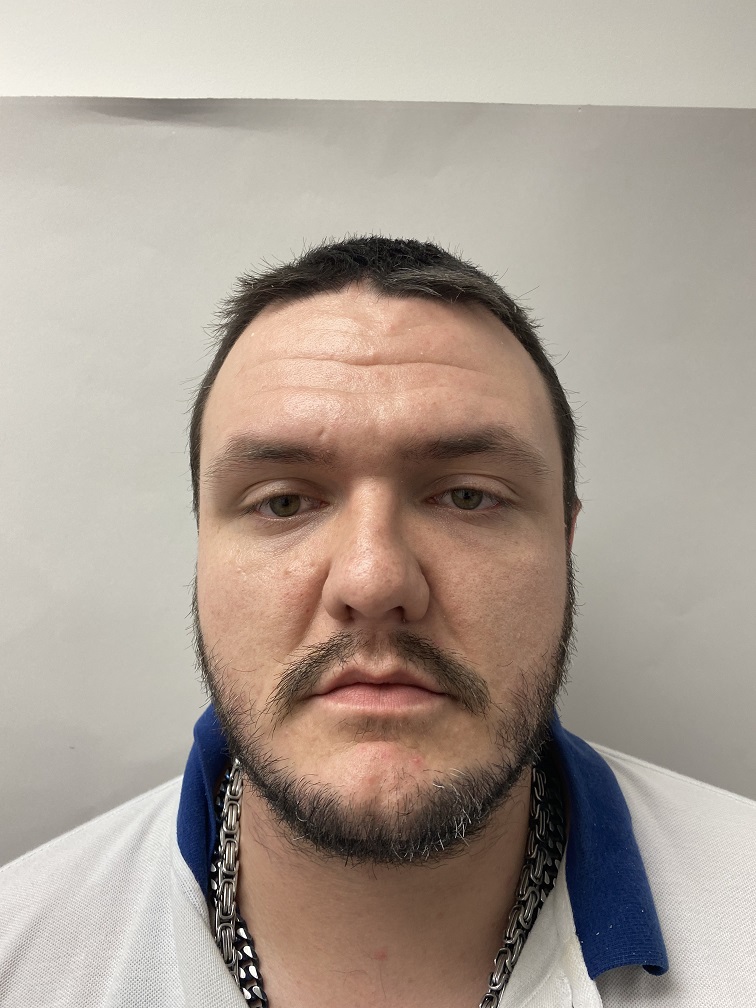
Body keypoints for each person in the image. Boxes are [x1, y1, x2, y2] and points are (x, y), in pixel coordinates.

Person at [1, 236, 754, 1008]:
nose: (373, 580)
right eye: (283, 502)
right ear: (201, 547)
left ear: (564, 540)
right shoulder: (23, 953)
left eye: (468, 496)